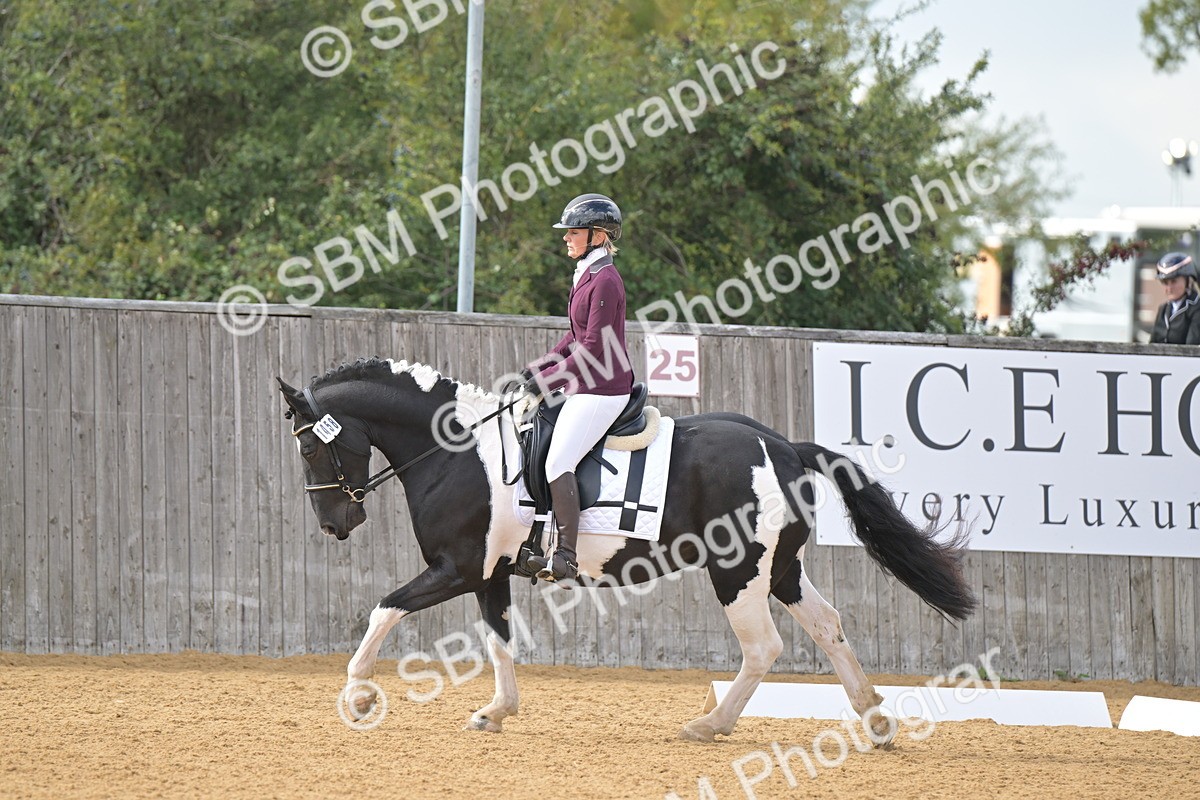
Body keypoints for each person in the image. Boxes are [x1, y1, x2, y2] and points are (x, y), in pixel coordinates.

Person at [519, 193, 634, 583]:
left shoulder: (606, 280)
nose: (566, 237)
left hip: (604, 388)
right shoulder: (587, 273)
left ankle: (566, 556)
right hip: (585, 384)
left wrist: (549, 380)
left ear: (598, 235)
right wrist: (540, 367)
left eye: (573, 232)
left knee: (557, 462)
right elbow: (574, 336)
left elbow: (594, 347)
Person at [1150, 252, 1200, 345]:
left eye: (1174, 281)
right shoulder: (1163, 309)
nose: (1169, 288)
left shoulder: (1197, 308)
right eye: (1165, 283)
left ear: (1188, 281)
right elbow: (1152, 344)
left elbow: (1192, 347)